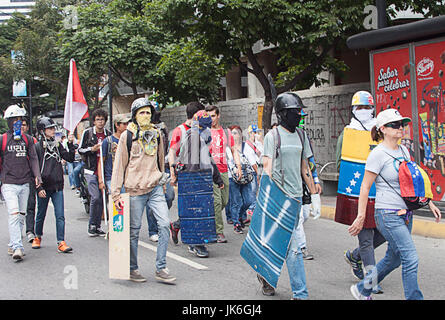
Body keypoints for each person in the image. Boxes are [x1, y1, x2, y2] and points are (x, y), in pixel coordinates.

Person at [349, 108, 441, 300]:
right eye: (395, 124)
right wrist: (361, 216)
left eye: (402, 124)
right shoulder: (377, 154)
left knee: (395, 258)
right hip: (387, 214)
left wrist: (429, 201)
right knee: (411, 257)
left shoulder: (404, 150)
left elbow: (413, 180)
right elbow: (365, 187)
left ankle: (363, 288)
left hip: (405, 214)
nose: (401, 128)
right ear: (382, 128)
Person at [255, 92, 316, 299]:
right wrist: (265, 198)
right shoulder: (273, 137)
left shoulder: (301, 135)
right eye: (294, 112)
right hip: (279, 199)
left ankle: (264, 275)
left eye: (299, 112)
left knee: (277, 243)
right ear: (282, 114)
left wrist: (314, 193)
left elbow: (304, 166)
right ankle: (300, 293)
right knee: (294, 247)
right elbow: (267, 168)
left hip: (297, 198)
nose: (298, 115)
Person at [111, 97, 175, 284]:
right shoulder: (127, 136)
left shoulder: (156, 134)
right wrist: (115, 193)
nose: (146, 116)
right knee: (133, 231)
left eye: (148, 112)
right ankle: (132, 268)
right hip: (134, 190)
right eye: (142, 113)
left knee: (164, 225)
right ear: (135, 116)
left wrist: (163, 181)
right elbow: (119, 165)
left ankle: (161, 268)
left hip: (155, 187)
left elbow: (160, 159)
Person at [336, 91, 386, 293]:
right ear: (354, 110)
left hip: (381, 192)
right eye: (360, 108)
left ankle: (355, 256)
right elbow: (343, 164)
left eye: (367, 107)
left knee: (384, 232)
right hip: (360, 192)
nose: (364, 111)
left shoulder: (381, 131)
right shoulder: (347, 133)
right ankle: (371, 279)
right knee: (365, 237)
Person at [0, 105, 42, 262]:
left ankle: (13, 243)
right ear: (9, 122)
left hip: (25, 183)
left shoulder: (28, 140)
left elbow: (33, 159)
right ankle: (18, 246)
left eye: (20, 120)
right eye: (14, 120)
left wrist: (37, 175)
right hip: (9, 183)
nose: (18, 123)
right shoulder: (2, 139)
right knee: (14, 213)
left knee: (21, 215)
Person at [31, 117, 75, 253]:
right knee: (41, 214)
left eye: (53, 128)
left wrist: (71, 144)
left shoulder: (57, 145)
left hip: (57, 186)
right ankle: (37, 236)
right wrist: (39, 187)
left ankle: (61, 241)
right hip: (44, 187)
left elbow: (70, 158)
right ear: (42, 131)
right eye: (50, 128)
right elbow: (34, 168)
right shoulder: (37, 147)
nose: (53, 130)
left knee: (60, 215)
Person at [168, 101, 205, 250]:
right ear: (196, 115)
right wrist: (172, 173)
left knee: (198, 208)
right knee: (191, 208)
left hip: (202, 175)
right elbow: (172, 152)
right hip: (186, 175)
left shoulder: (202, 129)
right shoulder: (180, 131)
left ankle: (177, 225)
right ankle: (193, 242)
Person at [205, 105, 242, 243]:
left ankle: (207, 218)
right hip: (210, 171)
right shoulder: (204, 132)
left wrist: (238, 167)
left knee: (225, 201)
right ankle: (218, 231)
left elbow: (234, 151)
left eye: (213, 116)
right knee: (216, 201)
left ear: (218, 116)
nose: (211, 119)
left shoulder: (226, 132)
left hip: (224, 170)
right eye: (208, 116)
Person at [78, 109, 111, 237]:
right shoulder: (88, 133)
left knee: (104, 198)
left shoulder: (108, 135)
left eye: (102, 119)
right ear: (94, 121)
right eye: (98, 119)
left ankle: (98, 226)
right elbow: (80, 149)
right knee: (96, 197)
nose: (100, 122)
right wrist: (92, 149)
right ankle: (92, 225)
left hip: (104, 170)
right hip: (91, 170)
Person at [145, 103, 175, 243]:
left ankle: (160, 218)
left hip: (163, 167)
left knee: (169, 196)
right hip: (146, 170)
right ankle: (153, 230)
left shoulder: (162, 128)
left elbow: (168, 148)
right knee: (150, 201)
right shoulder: (141, 130)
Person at [295, 112, 322, 261]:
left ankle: (292, 237)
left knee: (304, 215)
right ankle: (302, 246)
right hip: (291, 183)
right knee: (298, 218)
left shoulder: (304, 137)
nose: (301, 120)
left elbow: (310, 162)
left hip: (305, 181)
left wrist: (315, 182)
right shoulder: (280, 136)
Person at [226, 125, 256, 234]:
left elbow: (253, 162)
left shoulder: (245, 147)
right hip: (231, 177)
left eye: (236, 133)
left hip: (246, 177)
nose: (234, 135)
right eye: (232, 133)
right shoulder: (227, 148)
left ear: (240, 135)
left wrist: (259, 174)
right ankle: (236, 223)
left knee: (248, 200)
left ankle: (238, 216)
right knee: (235, 202)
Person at [98, 113, 130, 195]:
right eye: (124, 124)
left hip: (127, 178)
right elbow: (101, 161)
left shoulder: (130, 140)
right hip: (112, 178)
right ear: (117, 125)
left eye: (127, 124)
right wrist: (101, 180)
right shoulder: (108, 141)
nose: (127, 126)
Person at [21, 118, 38, 244]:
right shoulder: (7, 140)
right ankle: (16, 230)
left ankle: (30, 231)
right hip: (13, 179)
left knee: (30, 205)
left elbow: (37, 159)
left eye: (24, 125)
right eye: (19, 125)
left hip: (30, 177)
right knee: (16, 209)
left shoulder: (32, 141)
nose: (22, 127)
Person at [243, 124, 263, 223]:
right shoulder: (247, 146)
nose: (256, 134)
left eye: (257, 132)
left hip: (259, 169)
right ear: (250, 133)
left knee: (257, 191)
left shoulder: (258, 144)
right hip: (252, 171)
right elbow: (252, 162)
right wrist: (258, 174)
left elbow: (263, 154)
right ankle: (251, 209)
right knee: (253, 191)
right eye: (255, 132)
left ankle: (252, 209)